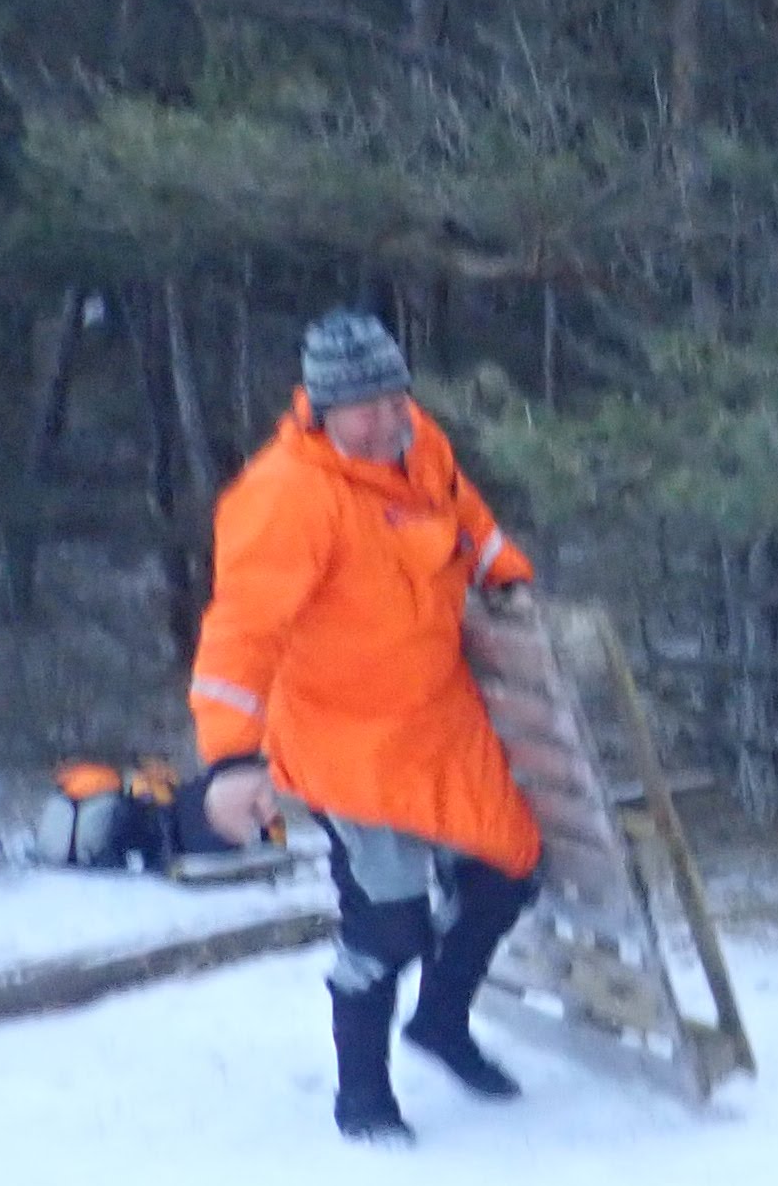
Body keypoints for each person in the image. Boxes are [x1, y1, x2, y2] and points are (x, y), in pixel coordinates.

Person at [191, 310, 543, 1142]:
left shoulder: (419, 445)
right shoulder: (284, 497)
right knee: (389, 923)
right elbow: (242, 632)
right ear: (322, 408)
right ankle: (363, 1095)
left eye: (395, 398)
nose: (388, 420)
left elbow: (468, 519)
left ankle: (441, 1022)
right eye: (366, 408)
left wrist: (505, 576)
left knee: (510, 867)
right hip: (343, 738)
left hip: (439, 718)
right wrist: (232, 759)